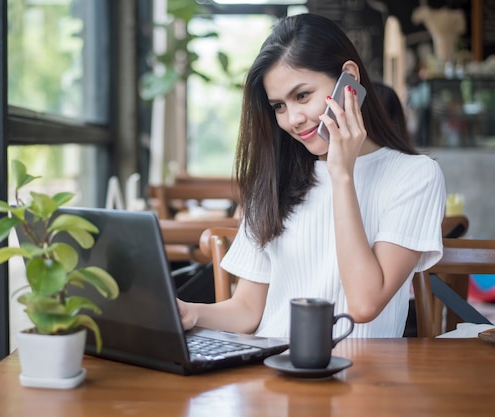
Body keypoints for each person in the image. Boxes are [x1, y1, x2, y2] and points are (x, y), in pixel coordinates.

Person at [177, 13, 446, 338]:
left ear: (348, 79)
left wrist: (341, 175)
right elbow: (247, 311)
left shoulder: (414, 176)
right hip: (268, 370)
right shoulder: (274, 178)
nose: (293, 119)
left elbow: (364, 304)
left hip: (364, 380)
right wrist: (189, 312)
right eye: (278, 106)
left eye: (302, 96)